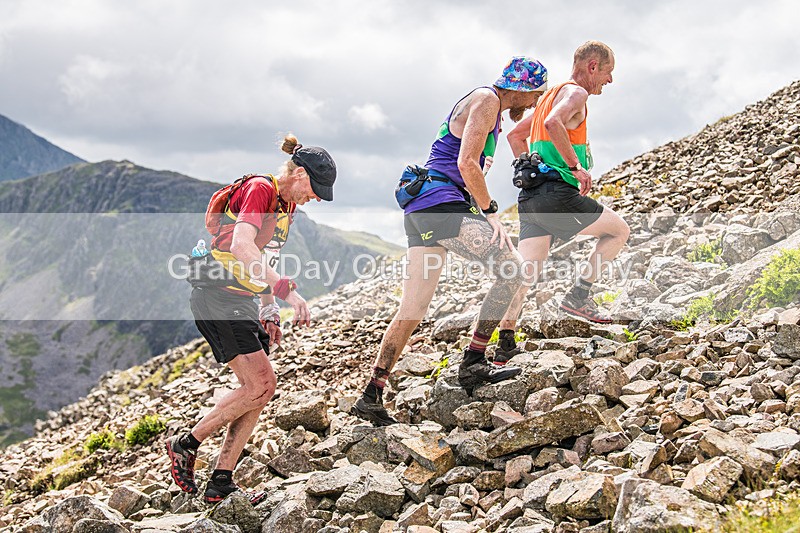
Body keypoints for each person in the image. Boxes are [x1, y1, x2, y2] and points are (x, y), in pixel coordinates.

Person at [352, 57, 549, 426]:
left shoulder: (487, 105)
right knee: (513, 271)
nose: (536, 102)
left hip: (424, 207)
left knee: (412, 309)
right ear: (521, 87)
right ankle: (474, 363)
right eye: (536, 93)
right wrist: (490, 212)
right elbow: (466, 164)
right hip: (442, 203)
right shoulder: (488, 100)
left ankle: (372, 395)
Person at [166, 135, 336, 503]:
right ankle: (186, 443)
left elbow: (262, 258)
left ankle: (220, 481)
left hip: (240, 300)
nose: (318, 198)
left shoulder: (286, 206)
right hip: (216, 296)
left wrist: (268, 309)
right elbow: (242, 246)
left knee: (259, 390)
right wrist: (285, 292)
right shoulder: (261, 189)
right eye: (317, 188)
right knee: (260, 383)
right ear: (300, 174)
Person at [493, 41, 630, 365]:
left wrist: (531, 169)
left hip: (531, 197)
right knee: (619, 231)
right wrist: (573, 166)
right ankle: (579, 296)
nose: (608, 81)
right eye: (608, 73)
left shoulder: (547, 97)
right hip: (558, 194)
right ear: (593, 66)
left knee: (527, 271)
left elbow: (515, 136)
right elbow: (556, 123)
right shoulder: (575, 94)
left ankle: (505, 343)